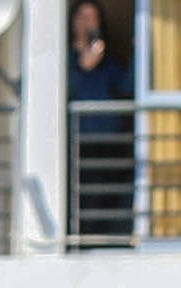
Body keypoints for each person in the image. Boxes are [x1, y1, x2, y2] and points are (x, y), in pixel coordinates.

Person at [66, 0, 135, 247]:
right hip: (81, 142)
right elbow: (58, 94)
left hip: (109, 142)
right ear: (73, 22)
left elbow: (127, 88)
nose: (88, 23)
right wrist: (83, 66)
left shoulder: (108, 62)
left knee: (110, 196)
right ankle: (85, 243)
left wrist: (139, 52)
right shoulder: (66, 60)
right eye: (83, 17)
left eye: (93, 18)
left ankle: (107, 241)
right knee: (86, 198)